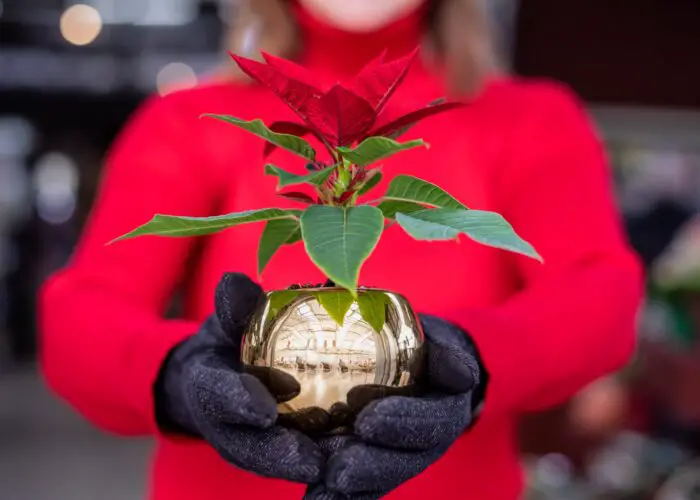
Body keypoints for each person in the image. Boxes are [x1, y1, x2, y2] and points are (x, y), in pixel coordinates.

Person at [38, 0, 643, 499]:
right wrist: (178, 377)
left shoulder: (528, 118)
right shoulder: (195, 120)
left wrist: (472, 360)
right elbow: (81, 312)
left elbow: (598, 291)